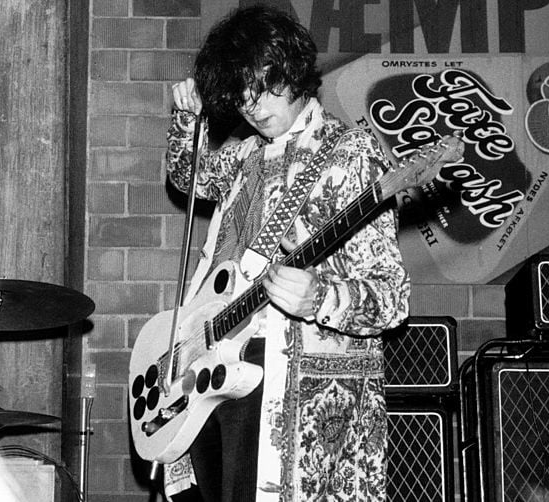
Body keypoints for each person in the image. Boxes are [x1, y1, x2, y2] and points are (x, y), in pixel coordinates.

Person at [164, 6, 410, 502]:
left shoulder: (350, 153)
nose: (251, 105)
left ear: (292, 71)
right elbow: (189, 178)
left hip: (292, 385)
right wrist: (186, 120)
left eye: (263, 85)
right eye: (240, 92)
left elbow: (392, 297)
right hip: (211, 365)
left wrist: (322, 297)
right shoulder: (244, 154)